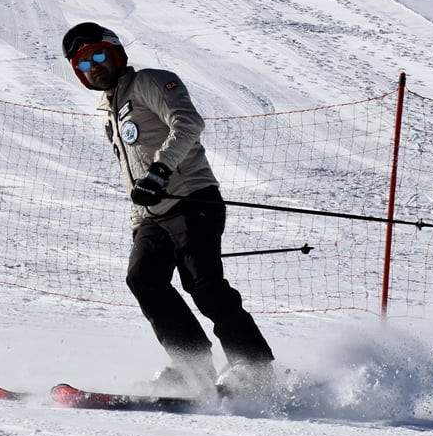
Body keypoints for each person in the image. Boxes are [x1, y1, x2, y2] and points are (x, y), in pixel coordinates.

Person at [61, 22, 276, 397]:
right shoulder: (109, 113)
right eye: (83, 63)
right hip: (152, 213)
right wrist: (138, 223)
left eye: (99, 55)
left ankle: (254, 367)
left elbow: (188, 122)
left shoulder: (149, 82)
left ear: (116, 54)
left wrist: (160, 172)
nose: (93, 66)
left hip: (193, 198)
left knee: (203, 284)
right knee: (143, 279)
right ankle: (193, 368)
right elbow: (132, 173)